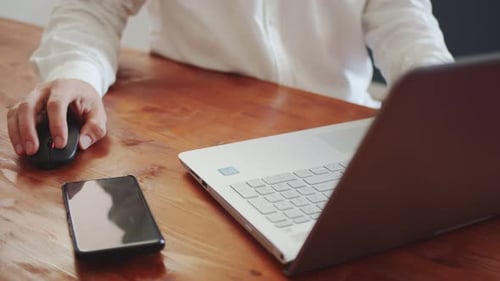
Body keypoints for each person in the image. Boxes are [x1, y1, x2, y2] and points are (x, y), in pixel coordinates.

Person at [7, 0, 453, 157]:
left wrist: (443, 97)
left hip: (341, 140)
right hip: (189, 144)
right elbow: (94, 7)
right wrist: (77, 74)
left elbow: (404, 20)